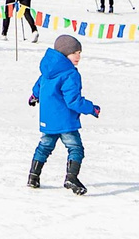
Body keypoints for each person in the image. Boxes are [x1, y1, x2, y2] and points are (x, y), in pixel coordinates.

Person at [27, 33, 99, 194]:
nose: (78, 56)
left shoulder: (48, 71)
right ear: (65, 53)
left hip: (48, 119)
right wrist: (92, 108)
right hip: (66, 121)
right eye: (74, 53)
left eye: (79, 53)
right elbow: (73, 101)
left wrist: (33, 97)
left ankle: (33, 177)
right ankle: (71, 178)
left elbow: (38, 86)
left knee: (44, 147)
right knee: (75, 148)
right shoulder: (70, 73)